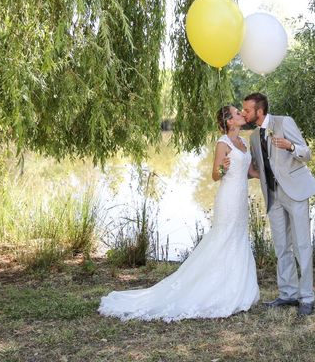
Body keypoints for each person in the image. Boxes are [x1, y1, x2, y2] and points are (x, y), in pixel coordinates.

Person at [98, 105, 260, 322]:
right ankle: (215, 289)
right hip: (228, 198)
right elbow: (215, 175)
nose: (242, 113)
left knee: (237, 237)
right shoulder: (223, 143)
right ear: (230, 121)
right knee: (224, 238)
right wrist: (223, 166)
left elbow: (248, 172)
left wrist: (269, 175)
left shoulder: (244, 142)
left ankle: (236, 288)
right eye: (237, 113)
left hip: (240, 198)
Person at [242, 93, 315, 316]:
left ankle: (306, 297)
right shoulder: (254, 137)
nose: (244, 113)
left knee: (302, 245)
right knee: (281, 245)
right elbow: (256, 169)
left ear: (260, 111)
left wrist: (290, 146)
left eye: (247, 110)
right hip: (273, 196)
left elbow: (306, 153)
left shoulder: (284, 122)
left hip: (295, 192)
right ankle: (288, 294)